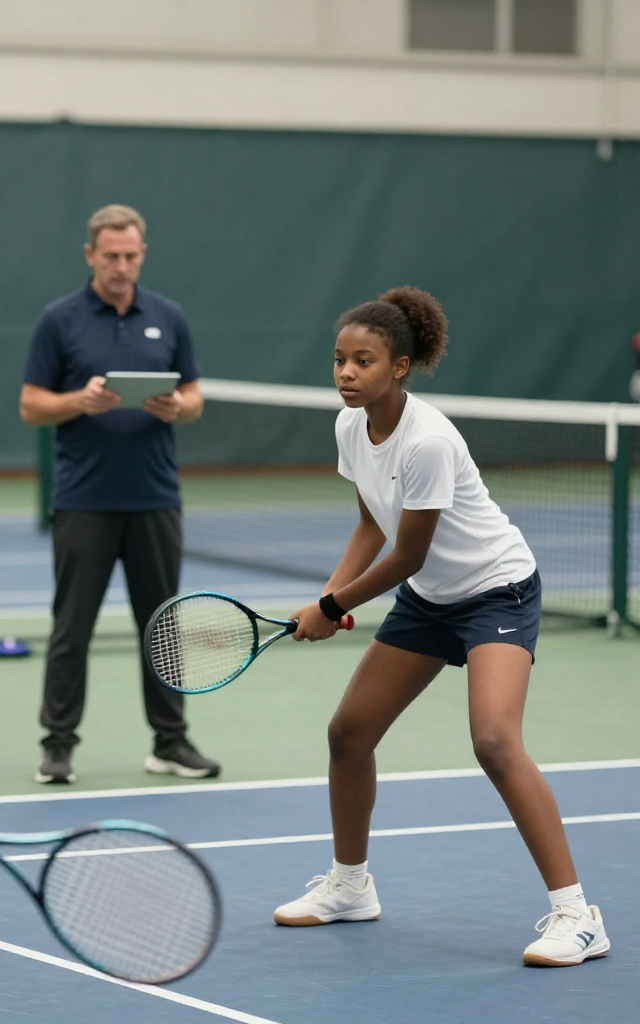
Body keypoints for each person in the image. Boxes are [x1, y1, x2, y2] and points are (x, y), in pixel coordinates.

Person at [272, 286, 610, 967]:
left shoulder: (426, 440)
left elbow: (408, 552)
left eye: (362, 361)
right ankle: (349, 885)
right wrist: (332, 594)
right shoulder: (349, 425)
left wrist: (333, 610)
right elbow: (372, 521)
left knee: (493, 740)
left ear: (399, 366)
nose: (345, 373)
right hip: (430, 601)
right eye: (338, 360)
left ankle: (578, 916)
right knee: (348, 733)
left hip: (497, 593)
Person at [20, 203, 220, 786]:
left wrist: (177, 406)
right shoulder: (58, 321)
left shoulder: (169, 317)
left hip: (155, 500)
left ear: (142, 254)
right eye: (111, 256)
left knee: (162, 626)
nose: (121, 266)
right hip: (83, 501)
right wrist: (77, 401)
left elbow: (195, 395)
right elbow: (32, 404)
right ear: (90, 256)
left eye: (131, 256)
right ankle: (57, 747)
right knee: (71, 630)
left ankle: (170, 742)